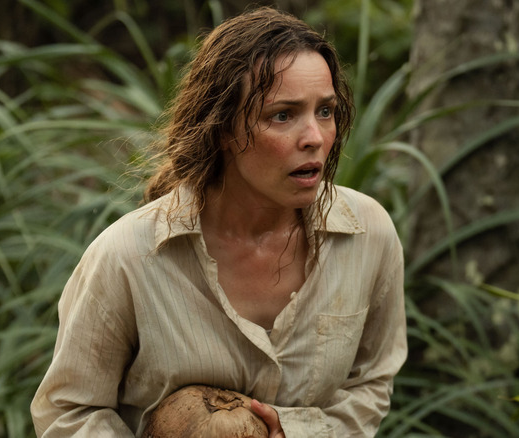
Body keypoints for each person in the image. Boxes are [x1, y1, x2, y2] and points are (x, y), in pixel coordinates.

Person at [31, 6, 407, 437]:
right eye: (282, 115)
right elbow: (68, 410)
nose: (315, 137)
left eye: (325, 111)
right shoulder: (127, 257)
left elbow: (372, 381)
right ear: (222, 128)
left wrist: (293, 431)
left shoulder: (368, 235)